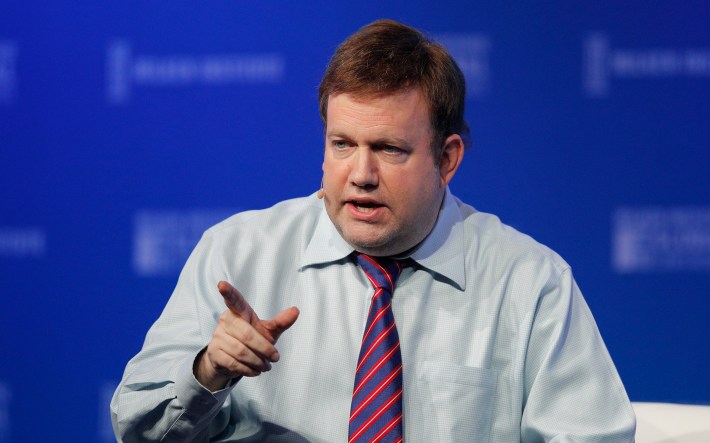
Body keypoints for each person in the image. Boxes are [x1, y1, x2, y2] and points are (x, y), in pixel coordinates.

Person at [111, 19, 636, 442]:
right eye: (342, 145)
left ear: (447, 159)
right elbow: (135, 430)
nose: (360, 174)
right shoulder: (238, 254)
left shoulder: (528, 281)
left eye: (389, 149)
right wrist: (208, 373)